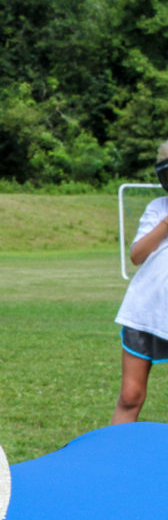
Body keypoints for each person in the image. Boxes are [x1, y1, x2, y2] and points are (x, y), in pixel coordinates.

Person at [112, 140, 168, 423]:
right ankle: (117, 455)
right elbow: (136, 256)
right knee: (130, 396)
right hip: (144, 312)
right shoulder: (158, 208)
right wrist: (166, 224)